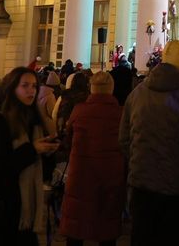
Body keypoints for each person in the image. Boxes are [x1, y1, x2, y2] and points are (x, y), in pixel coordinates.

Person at [0, 66, 60, 245]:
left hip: (24, 214)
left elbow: (41, 173)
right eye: (25, 86)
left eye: (34, 86)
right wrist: (32, 150)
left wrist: (47, 153)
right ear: (12, 89)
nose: (31, 90)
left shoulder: (34, 124)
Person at [120, 38, 179, 245]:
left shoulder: (136, 94)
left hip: (141, 185)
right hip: (175, 189)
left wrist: (140, 161)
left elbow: (124, 139)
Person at [59, 71, 125, 246]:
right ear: (111, 89)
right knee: (107, 231)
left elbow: (68, 140)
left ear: (91, 88)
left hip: (81, 176)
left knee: (76, 228)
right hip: (111, 178)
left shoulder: (79, 111)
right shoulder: (121, 113)